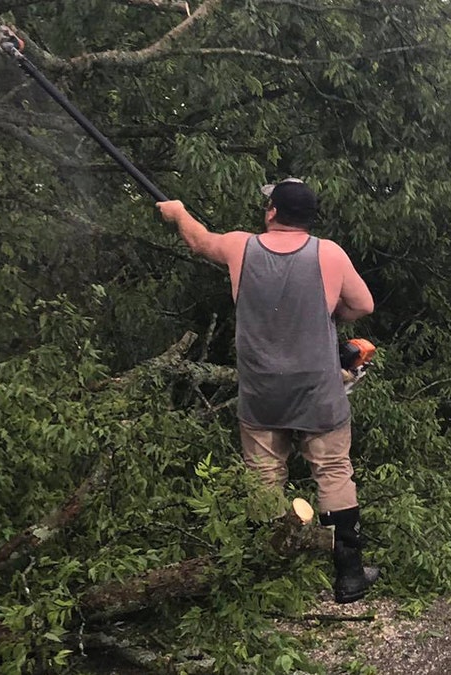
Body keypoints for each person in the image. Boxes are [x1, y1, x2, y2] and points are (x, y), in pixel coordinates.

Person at [157, 178, 377, 604]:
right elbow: (363, 305)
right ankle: (349, 576)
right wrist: (334, 314)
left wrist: (179, 211)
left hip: (261, 392)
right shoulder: (329, 253)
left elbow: (199, 240)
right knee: (333, 471)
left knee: (263, 479)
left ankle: (268, 578)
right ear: (308, 218)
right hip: (317, 389)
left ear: (272, 212)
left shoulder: (242, 247)